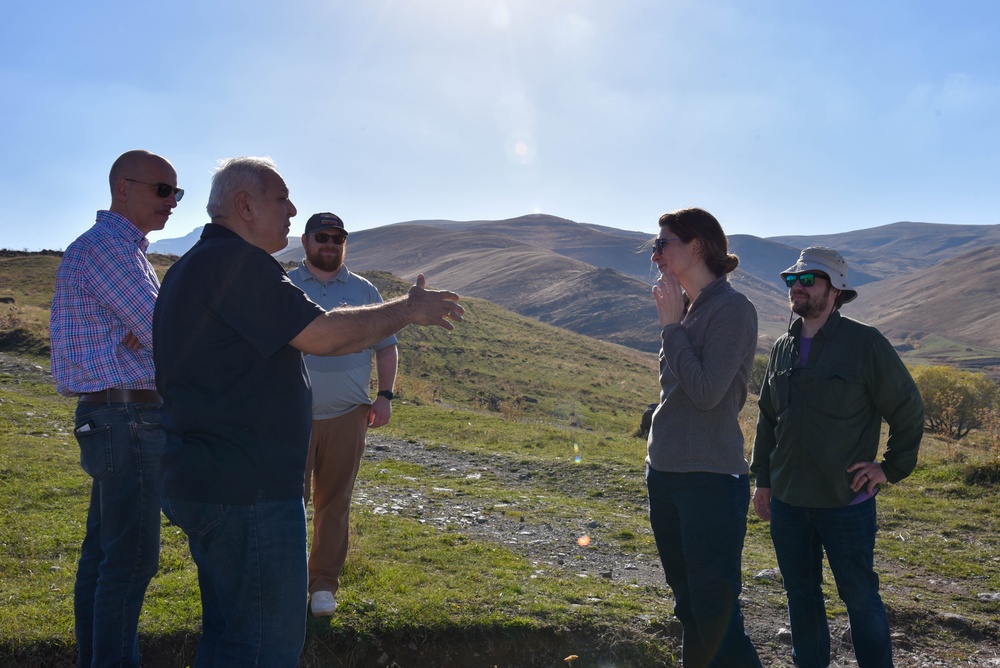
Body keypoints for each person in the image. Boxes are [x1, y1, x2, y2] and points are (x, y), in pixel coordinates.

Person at [152, 156, 463, 667]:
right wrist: (408, 310)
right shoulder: (236, 265)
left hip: (208, 476)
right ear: (244, 205)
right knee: (263, 647)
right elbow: (320, 335)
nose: (293, 210)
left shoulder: (194, 265)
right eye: (282, 198)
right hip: (246, 488)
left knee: (229, 635)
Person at [751, 246, 924, 668]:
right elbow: (769, 418)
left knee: (861, 598)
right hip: (790, 501)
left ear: (836, 289)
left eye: (808, 280)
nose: (797, 288)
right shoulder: (782, 347)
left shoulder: (866, 344)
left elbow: (908, 407)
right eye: (792, 280)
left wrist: (889, 467)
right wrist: (764, 480)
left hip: (846, 502)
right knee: (801, 596)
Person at [50, 149, 182, 667]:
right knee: (130, 562)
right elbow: (165, 332)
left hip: (114, 416)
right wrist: (152, 335)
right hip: (127, 418)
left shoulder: (119, 249)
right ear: (122, 188)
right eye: (162, 190)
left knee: (105, 557)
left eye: (177, 193)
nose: (171, 202)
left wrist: (146, 335)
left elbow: (150, 331)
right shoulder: (110, 248)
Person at [645, 207, 763, 667]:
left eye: (663, 243)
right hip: (668, 474)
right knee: (689, 609)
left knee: (715, 616)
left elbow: (709, 392)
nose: (656, 254)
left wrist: (672, 329)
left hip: (709, 479)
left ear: (696, 245)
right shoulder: (693, 308)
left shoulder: (732, 309)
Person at [286, 212, 399, 616]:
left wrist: (384, 395)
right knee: (287, 503)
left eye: (338, 237)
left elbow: (386, 345)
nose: (330, 244)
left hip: (348, 415)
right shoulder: (286, 285)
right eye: (322, 236)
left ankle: (322, 587)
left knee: (334, 502)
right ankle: (288, 581)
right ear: (306, 241)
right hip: (288, 416)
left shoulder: (364, 289)